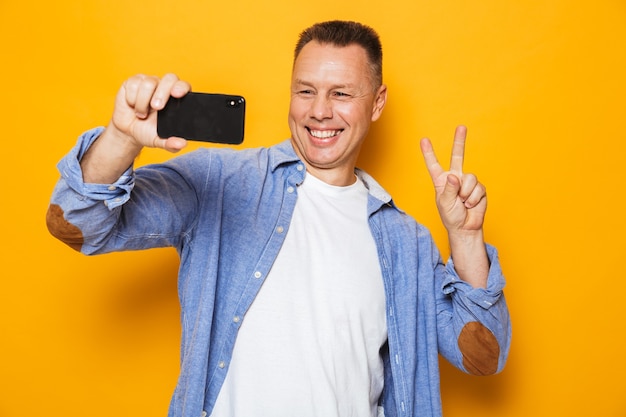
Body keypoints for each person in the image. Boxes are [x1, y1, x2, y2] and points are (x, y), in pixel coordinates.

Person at [47, 20, 511, 417]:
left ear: (377, 102)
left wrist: (466, 237)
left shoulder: (404, 241)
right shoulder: (223, 182)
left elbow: (481, 356)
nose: (319, 111)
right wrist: (121, 138)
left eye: (341, 93)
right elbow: (77, 223)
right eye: (305, 91)